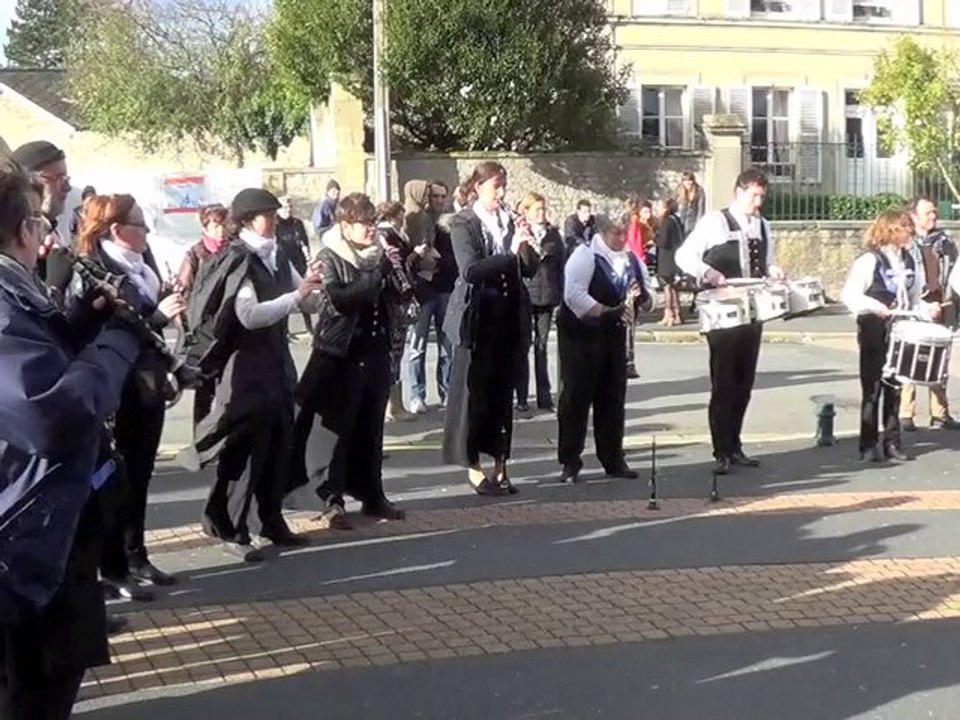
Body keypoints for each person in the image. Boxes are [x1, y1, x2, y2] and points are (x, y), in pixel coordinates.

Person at [0, 168, 140, 719]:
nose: (46, 234)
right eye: (40, 220)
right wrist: (118, 346)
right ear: (23, 231)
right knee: (33, 695)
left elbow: (29, 370)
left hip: (40, 525)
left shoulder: (15, 291)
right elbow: (49, 415)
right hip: (23, 537)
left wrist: (83, 323)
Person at [188, 188, 323, 561]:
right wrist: (296, 299)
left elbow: (306, 299)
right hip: (245, 369)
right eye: (269, 214)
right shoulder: (239, 259)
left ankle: (271, 519)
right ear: (249, 219)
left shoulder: (277, 255)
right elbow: (249, 315)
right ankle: (229, 525)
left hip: (276, 364)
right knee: (244, 450)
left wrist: (313, 286)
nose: (276, 220)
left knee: (279, 443)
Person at [68, 194, 187, 600]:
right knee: (116, 481)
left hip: (148, 386)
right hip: (117, 388)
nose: (147, 232)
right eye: (140, 225)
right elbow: (106, 332)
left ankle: (137, 555)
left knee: (141, 476)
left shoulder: (141, 265)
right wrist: (157, 317)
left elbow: (151, 335)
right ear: (117, 229)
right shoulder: (93, 270)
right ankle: (114, 566)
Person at [291, 193, 409, 529]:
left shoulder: (379, 254)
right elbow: (342, 298)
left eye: (373, 221)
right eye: (364, 223)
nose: (371, 229)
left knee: (371, 426)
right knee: (337, 430)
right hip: (340, 353)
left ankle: (373, 495)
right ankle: (332, 500)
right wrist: (379, 273)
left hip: (375, 350)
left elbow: (396, 295)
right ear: (345, 225)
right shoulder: (329, 256)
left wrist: (401, 272)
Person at [675, 168, 784, 476]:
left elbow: (768, 262)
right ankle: (721, 449)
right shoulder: (715, 221)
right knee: (723, 381)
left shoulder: (763, 225)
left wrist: (774, 271)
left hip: (752, 310)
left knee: (744, 381)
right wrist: (708, 273)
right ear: (739, 191)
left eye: (762, 196)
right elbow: (684, 256)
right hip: (722, 311)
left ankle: (735, 445)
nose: (759, 202)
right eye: (754, 196)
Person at [442, 161, 540, 495]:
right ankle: (473, 466)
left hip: (508, 318)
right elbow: (469, 271)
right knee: (475, 395)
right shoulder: (463, 222)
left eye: (504, 186)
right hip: (477, 319)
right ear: (478, 187)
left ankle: (501, 464)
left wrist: (527, 241)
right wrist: (509, 252)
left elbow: (528, 270)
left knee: (503, 394)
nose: (501, 193)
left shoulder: (507, 221)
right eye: (495, 186)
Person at [557, 215, 653, 483]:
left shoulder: (631, 259)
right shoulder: (585, 255)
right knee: (576, 398)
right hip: (581, 336)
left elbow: (649, 298)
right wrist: (608, 312)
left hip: (613, 336)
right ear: (602, 231)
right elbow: (573, 295)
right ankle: (570, 461)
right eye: (616, 234)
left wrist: (643, 295)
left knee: (612, 399)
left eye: (625, 234)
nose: (622, 239)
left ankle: (613, 459)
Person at [841, 208, 940, 462]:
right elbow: (851, 295)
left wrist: (926, 309)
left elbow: (914, 296)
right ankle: (868, 444)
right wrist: (876, 307)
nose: (909, 231)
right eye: (904, 227)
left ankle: (892, 443)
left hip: (901, 328)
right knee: (872, 385)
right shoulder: (869, 260)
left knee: (895, 386)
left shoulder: (910, 259)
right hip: (874, 327)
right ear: (891, 230)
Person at [900, 197, 960, 431]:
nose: (934, 216)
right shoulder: (905, 240)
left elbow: (955, 274)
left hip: (941, 305)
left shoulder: (945, 241)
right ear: (913, 216)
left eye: (934, 212)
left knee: (939, 362)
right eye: (928, 213)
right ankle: (907, 413)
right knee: (910, 358)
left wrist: (951, 304)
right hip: (914, 306)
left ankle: (940, 413)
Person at [407, 180, 457, 413]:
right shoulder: (418, 219)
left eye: (441, 196)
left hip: (445, 287)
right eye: (434, 196)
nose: (437, 200)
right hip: (423, 290)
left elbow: (456, 258)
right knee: (418, 345)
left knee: (447, 344)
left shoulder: (451, 222)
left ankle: (446, 391)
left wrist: (440, 262)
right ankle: (417, 395)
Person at [515, 192, 564, 412]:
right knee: (523, 346)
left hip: (547, 296)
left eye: (543, 209)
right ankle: (522, 397)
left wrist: (561, 294)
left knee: (542, 346)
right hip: (526, 295)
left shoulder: (554, 235)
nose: (541, 213)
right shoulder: (520, 235)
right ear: (526, 212)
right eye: (537, 209)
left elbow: (562, 266)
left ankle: (545, 397)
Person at [377, 200, 419, 421]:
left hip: (395, 298)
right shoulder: (386, 235)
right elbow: (397, 268)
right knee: (394, 350)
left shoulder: (391, 234)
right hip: (394, 299)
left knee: (395, 352)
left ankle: (393, 405)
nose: (403, 220)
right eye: (400, 216)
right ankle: (393, 407)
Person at [11, 140, 71, 279]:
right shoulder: (12, 245)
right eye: (57, 178)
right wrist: (56, 286)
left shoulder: (53, 234)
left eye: (66, 178)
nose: (67, 187)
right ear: (27, 183)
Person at [623, 198, 654, 378]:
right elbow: (635, 245)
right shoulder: (634, 223)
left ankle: (628, 361)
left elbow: (635, 246)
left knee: (630, 326)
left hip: (634, 270)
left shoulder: (637, 223)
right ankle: (626, 361)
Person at [276, 195, 314, 335]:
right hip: (283, 265)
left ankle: (309, 328)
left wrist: (308, 258)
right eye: (284, 207)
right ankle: (285, 331)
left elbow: (304, 242)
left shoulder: (297, 223)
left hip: (299, 264)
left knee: (303, 295)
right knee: (285, 298)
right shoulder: (275, 225)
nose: (288, 210)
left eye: (290, 206)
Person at [177, 203, 229, 299]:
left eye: (224, 225)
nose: (221, 231)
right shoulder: (194, 256)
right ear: (205, 228)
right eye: (216, 226)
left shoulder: (234, 251)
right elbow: (185, 291)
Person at [654, 196, 685, 327]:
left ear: (666, 208)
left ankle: (669, 314)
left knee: (667, 286)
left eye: (660, 207)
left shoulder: (667, 221)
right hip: (676, 256)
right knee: (674, 287)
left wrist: (655, 239)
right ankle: (678, 314)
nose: (658, 209)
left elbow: (664, 241)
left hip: (667, 257)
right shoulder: (676, 220)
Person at [676, 171, 706, 237]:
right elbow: (678, 208)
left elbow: (701, 210)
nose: (689, 182)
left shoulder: (699, 191)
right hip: (683, 223)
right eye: (686, 180)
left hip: (694, 222)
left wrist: (698, 226)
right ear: (683, 182)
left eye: (690, 180)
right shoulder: (680, 190)